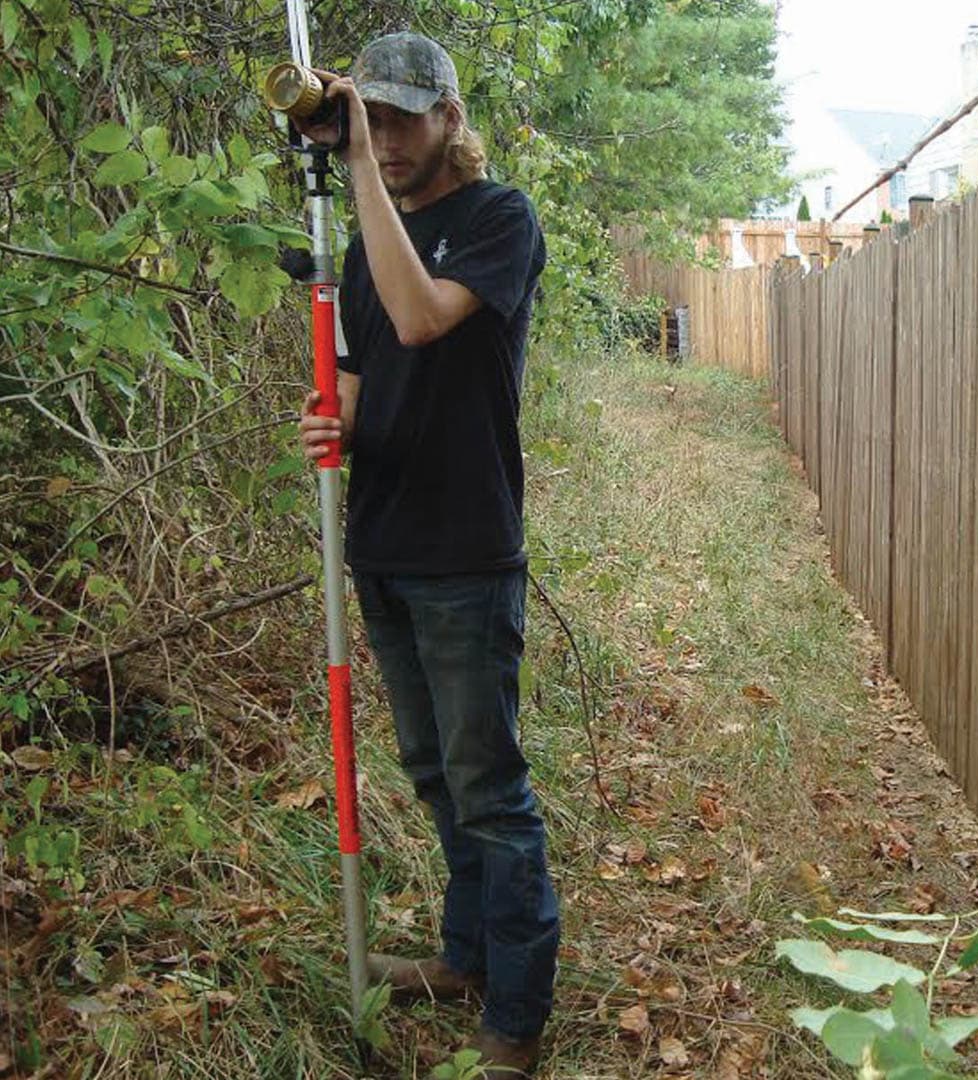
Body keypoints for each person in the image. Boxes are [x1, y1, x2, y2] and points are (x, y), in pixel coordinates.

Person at [295, 31, 558, 1078]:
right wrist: (333, 431)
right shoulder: (364, 243)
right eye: (377, 120)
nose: (390, 140)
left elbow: (417, 320)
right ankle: (465, 958)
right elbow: (361, 386)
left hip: (464, 549)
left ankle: (517, 1013)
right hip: (384, 544)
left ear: (451, 117)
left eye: (405, 118)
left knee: (489, 786)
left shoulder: (500, 221)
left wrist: (351, 153)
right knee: (435, 774)